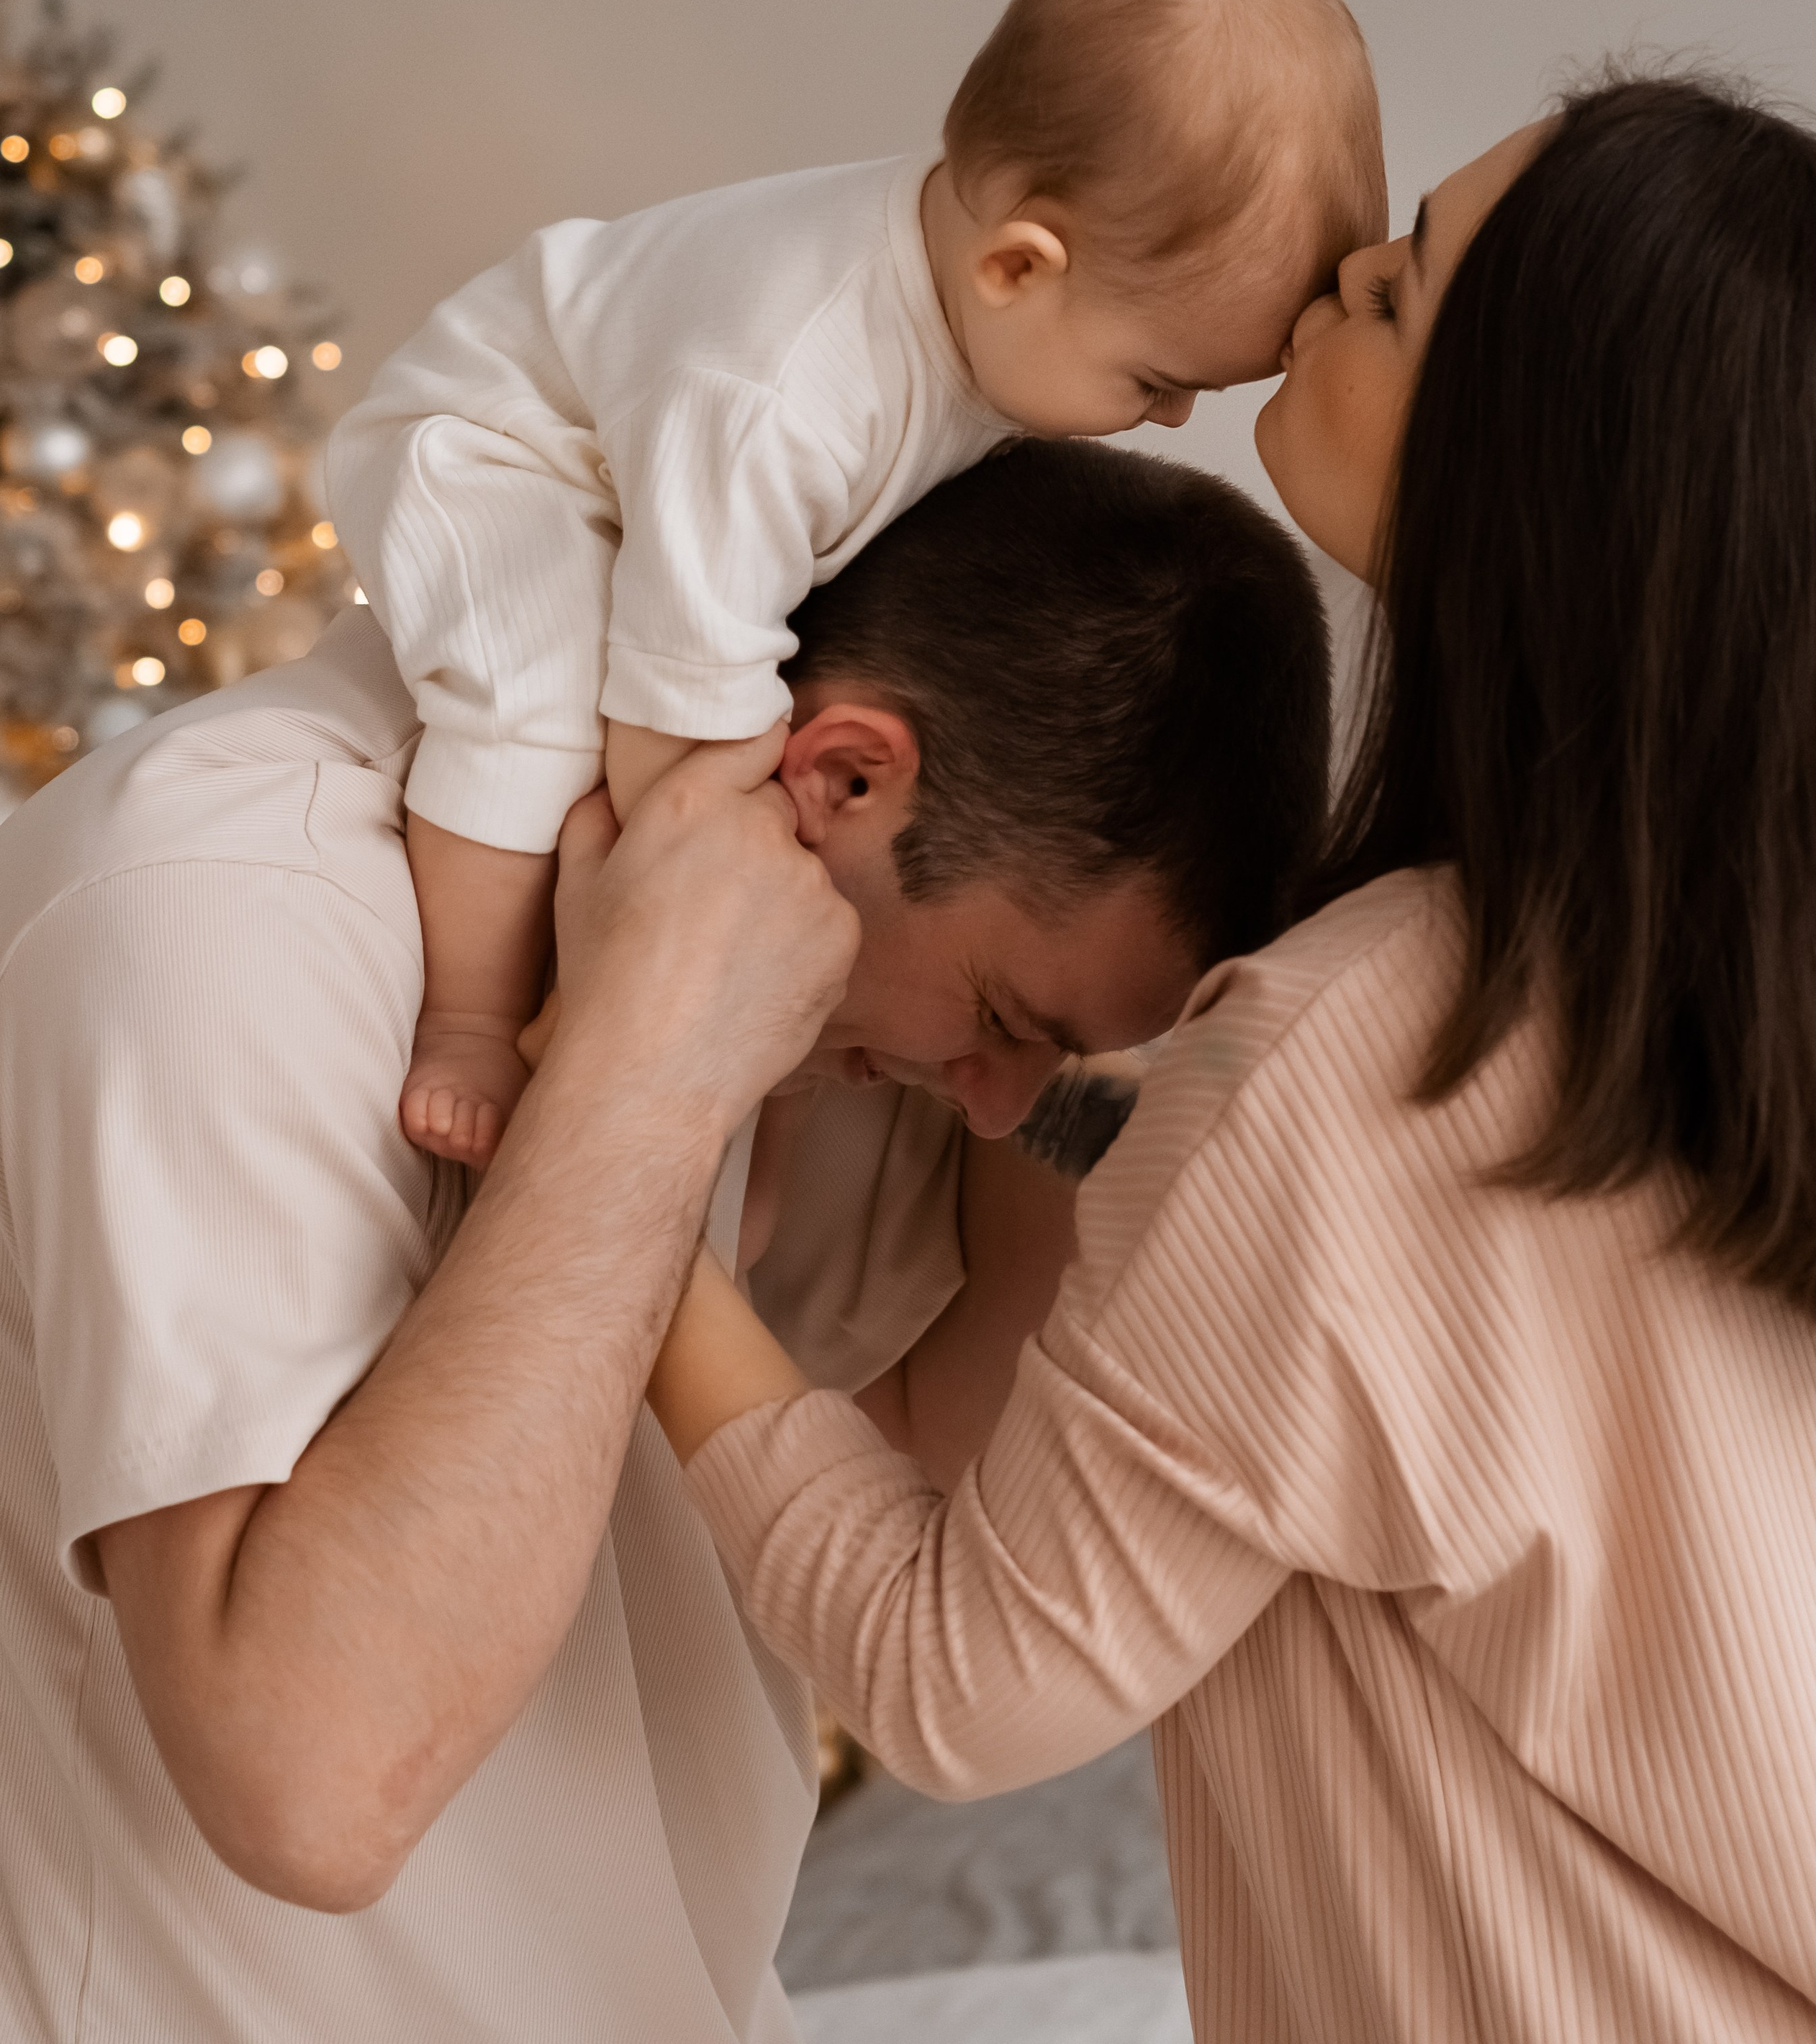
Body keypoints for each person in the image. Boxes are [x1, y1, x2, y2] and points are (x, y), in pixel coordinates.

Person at [649, 73, 1816, 2040]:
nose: (1341, 274)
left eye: (1412, 277)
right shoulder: (1732, 1013)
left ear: (1552, 455)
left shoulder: (1359, 1051)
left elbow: (954, 1674)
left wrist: (613, 1195)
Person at [0, 436, 1327, 2043]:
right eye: (995, 1017)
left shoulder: (833, 991)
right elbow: (313, 1790)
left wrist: (1106, 1073)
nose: (989, 1106)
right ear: (841, 777)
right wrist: (639, 1062)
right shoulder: (218, 908)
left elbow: (924, 1487)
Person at [327, 0, 1383, 1160]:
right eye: (1154, 380)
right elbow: (684, 725)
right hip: (500, 452)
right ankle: (468, 1015)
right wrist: (671, 992)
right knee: (537, 707)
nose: (1174, 418)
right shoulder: (783, 391)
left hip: (627, 455)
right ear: (1018, 266)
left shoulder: (978, 316)